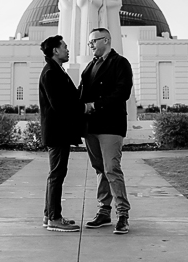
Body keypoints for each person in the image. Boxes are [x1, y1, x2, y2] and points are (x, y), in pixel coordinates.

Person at [78, 27, 133, 235]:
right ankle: (104, 211)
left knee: (112, 168)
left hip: (110, 125)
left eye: (94, 41)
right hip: (91, 126)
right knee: (100, 169)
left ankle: (123, 214)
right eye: (89, 41)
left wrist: (95, 105)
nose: (90, 44)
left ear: (106, 40)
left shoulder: (120, 63)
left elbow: (123, 92)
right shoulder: (90, 66)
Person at [39, 34, 84, 232]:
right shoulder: (51, 72)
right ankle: (54, 218)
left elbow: (73, 95)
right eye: (64, 47)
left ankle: (49, 215)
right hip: (57, 132)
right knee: (57, 174)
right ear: (55, 50)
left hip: (59, 131)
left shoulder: (57, 70)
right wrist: (83, 108)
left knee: (57, 173)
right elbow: (59, 104)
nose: (67, 50)